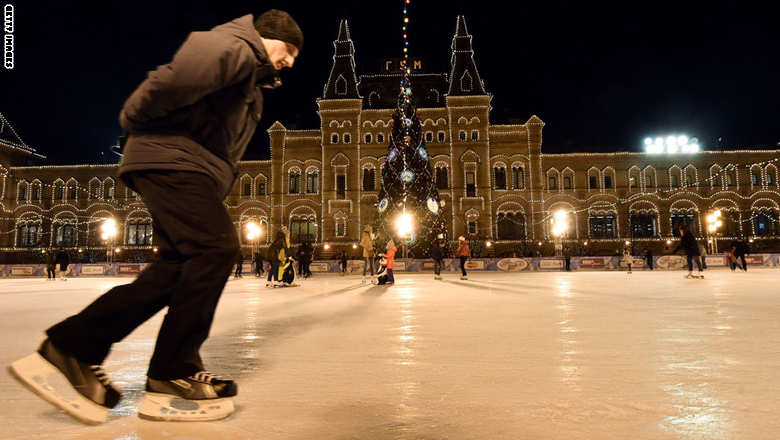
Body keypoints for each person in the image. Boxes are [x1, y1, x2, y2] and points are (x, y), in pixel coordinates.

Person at [9, 10, 302, 424]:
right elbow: (169, 81)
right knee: (216, 249)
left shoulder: (248, 78)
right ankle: (171, 369)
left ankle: (75, 346)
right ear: (266, 37)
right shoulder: (234, 47)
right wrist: (136, 118)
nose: (291, 61)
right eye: (288, 50)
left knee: (177, 267)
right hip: (173, 161)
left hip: (184, 168)